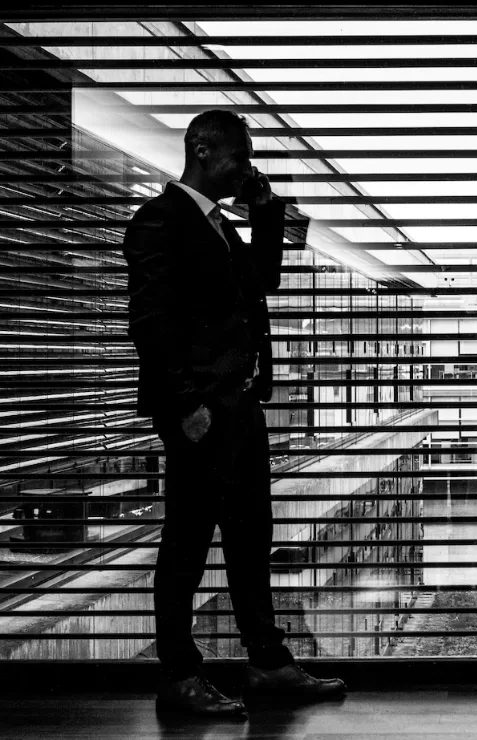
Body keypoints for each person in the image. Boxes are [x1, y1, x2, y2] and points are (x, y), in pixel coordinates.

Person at [123, 110, 345, 716]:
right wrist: (186, 405)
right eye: (240, 158)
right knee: (188, 543)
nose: (246, 169)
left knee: (251, 538)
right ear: (202, 148)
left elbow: (266, 278)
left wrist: (265, 203)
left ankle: (267, 663)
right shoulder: (159, 220)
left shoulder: (221, 226)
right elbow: (151, 321)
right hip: (200, 413)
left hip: (239, 406)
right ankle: (178, 675)